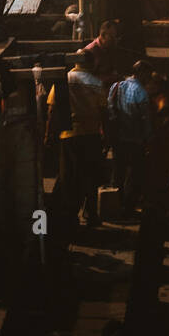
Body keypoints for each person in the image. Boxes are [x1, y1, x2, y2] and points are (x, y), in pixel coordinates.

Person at [47, 49, 107, 229]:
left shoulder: (63, 80)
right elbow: (104, 112)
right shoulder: (96, 83)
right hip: (92, 135)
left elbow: (52, 109)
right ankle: (91, 214)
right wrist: (107, 136)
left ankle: (69, 216)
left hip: (69, 135)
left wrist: (48, 134)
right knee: (90, 176)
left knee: (69, 177)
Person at [107, 60, 153, 215]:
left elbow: (110, 109)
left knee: (118, 171)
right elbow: (145, 119)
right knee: (134, 174)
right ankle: (128, 206)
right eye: (147, 74)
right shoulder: (141, 92)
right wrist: (148, 138)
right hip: (135, 139)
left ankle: (114, 202)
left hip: (118, 137)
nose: (149, 78)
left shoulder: (117, 86)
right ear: (140, 73)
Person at [85, 18, 120, 91]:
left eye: (117, 38)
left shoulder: (110, 48)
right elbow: (86, 78)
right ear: (103, 35)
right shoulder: (90, 51)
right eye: (112, 37)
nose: (115, 41)